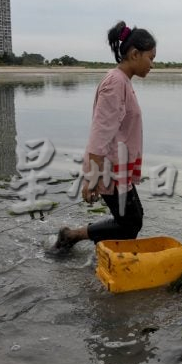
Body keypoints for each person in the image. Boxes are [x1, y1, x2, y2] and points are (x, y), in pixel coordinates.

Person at [51, 21, 156, 251]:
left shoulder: (122, 82)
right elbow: (100, 134)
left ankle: (74, 237)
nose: (152, 64)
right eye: (151, 58)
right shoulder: (116, 83)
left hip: (118, 166)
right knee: (130, 224)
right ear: (134, 54)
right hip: (108, 167)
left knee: (133, 218)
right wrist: (92, 177)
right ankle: (72, 236)